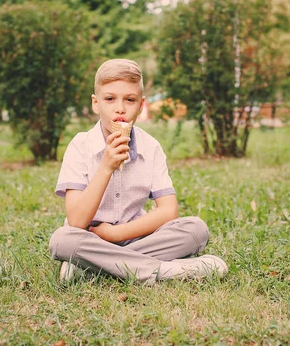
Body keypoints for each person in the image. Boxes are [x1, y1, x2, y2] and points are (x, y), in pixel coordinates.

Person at [48, 59, 227, 284]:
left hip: (137, 237)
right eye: (110, 99)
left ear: (141, 106)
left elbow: (168, 211)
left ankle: (92, 268)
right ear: (96, 104)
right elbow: (76, 220)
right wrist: (106, 166)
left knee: (195, 230)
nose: (120, 108)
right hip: (90, 238)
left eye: (129, 100)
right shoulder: (80, 146)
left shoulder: (151, 147)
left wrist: (116, 234)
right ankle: (166, 270)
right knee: (62, 240)